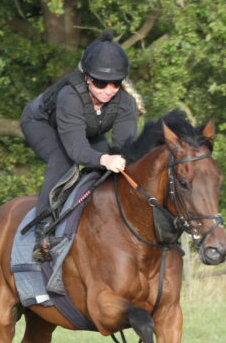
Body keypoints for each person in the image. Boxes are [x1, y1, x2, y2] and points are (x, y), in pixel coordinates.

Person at [20, 30, 138, 261]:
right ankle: (43, 232)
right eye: (101, 83)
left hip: (85, 129)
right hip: (42, 124)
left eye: (116, 83)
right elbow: (77, 151)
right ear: (87, 78)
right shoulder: (70, 96)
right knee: (63, 160)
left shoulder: (125, 103)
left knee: (109, 169)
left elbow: (125, 149)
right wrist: (104, 159)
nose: (109, 90)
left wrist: (117, 160)